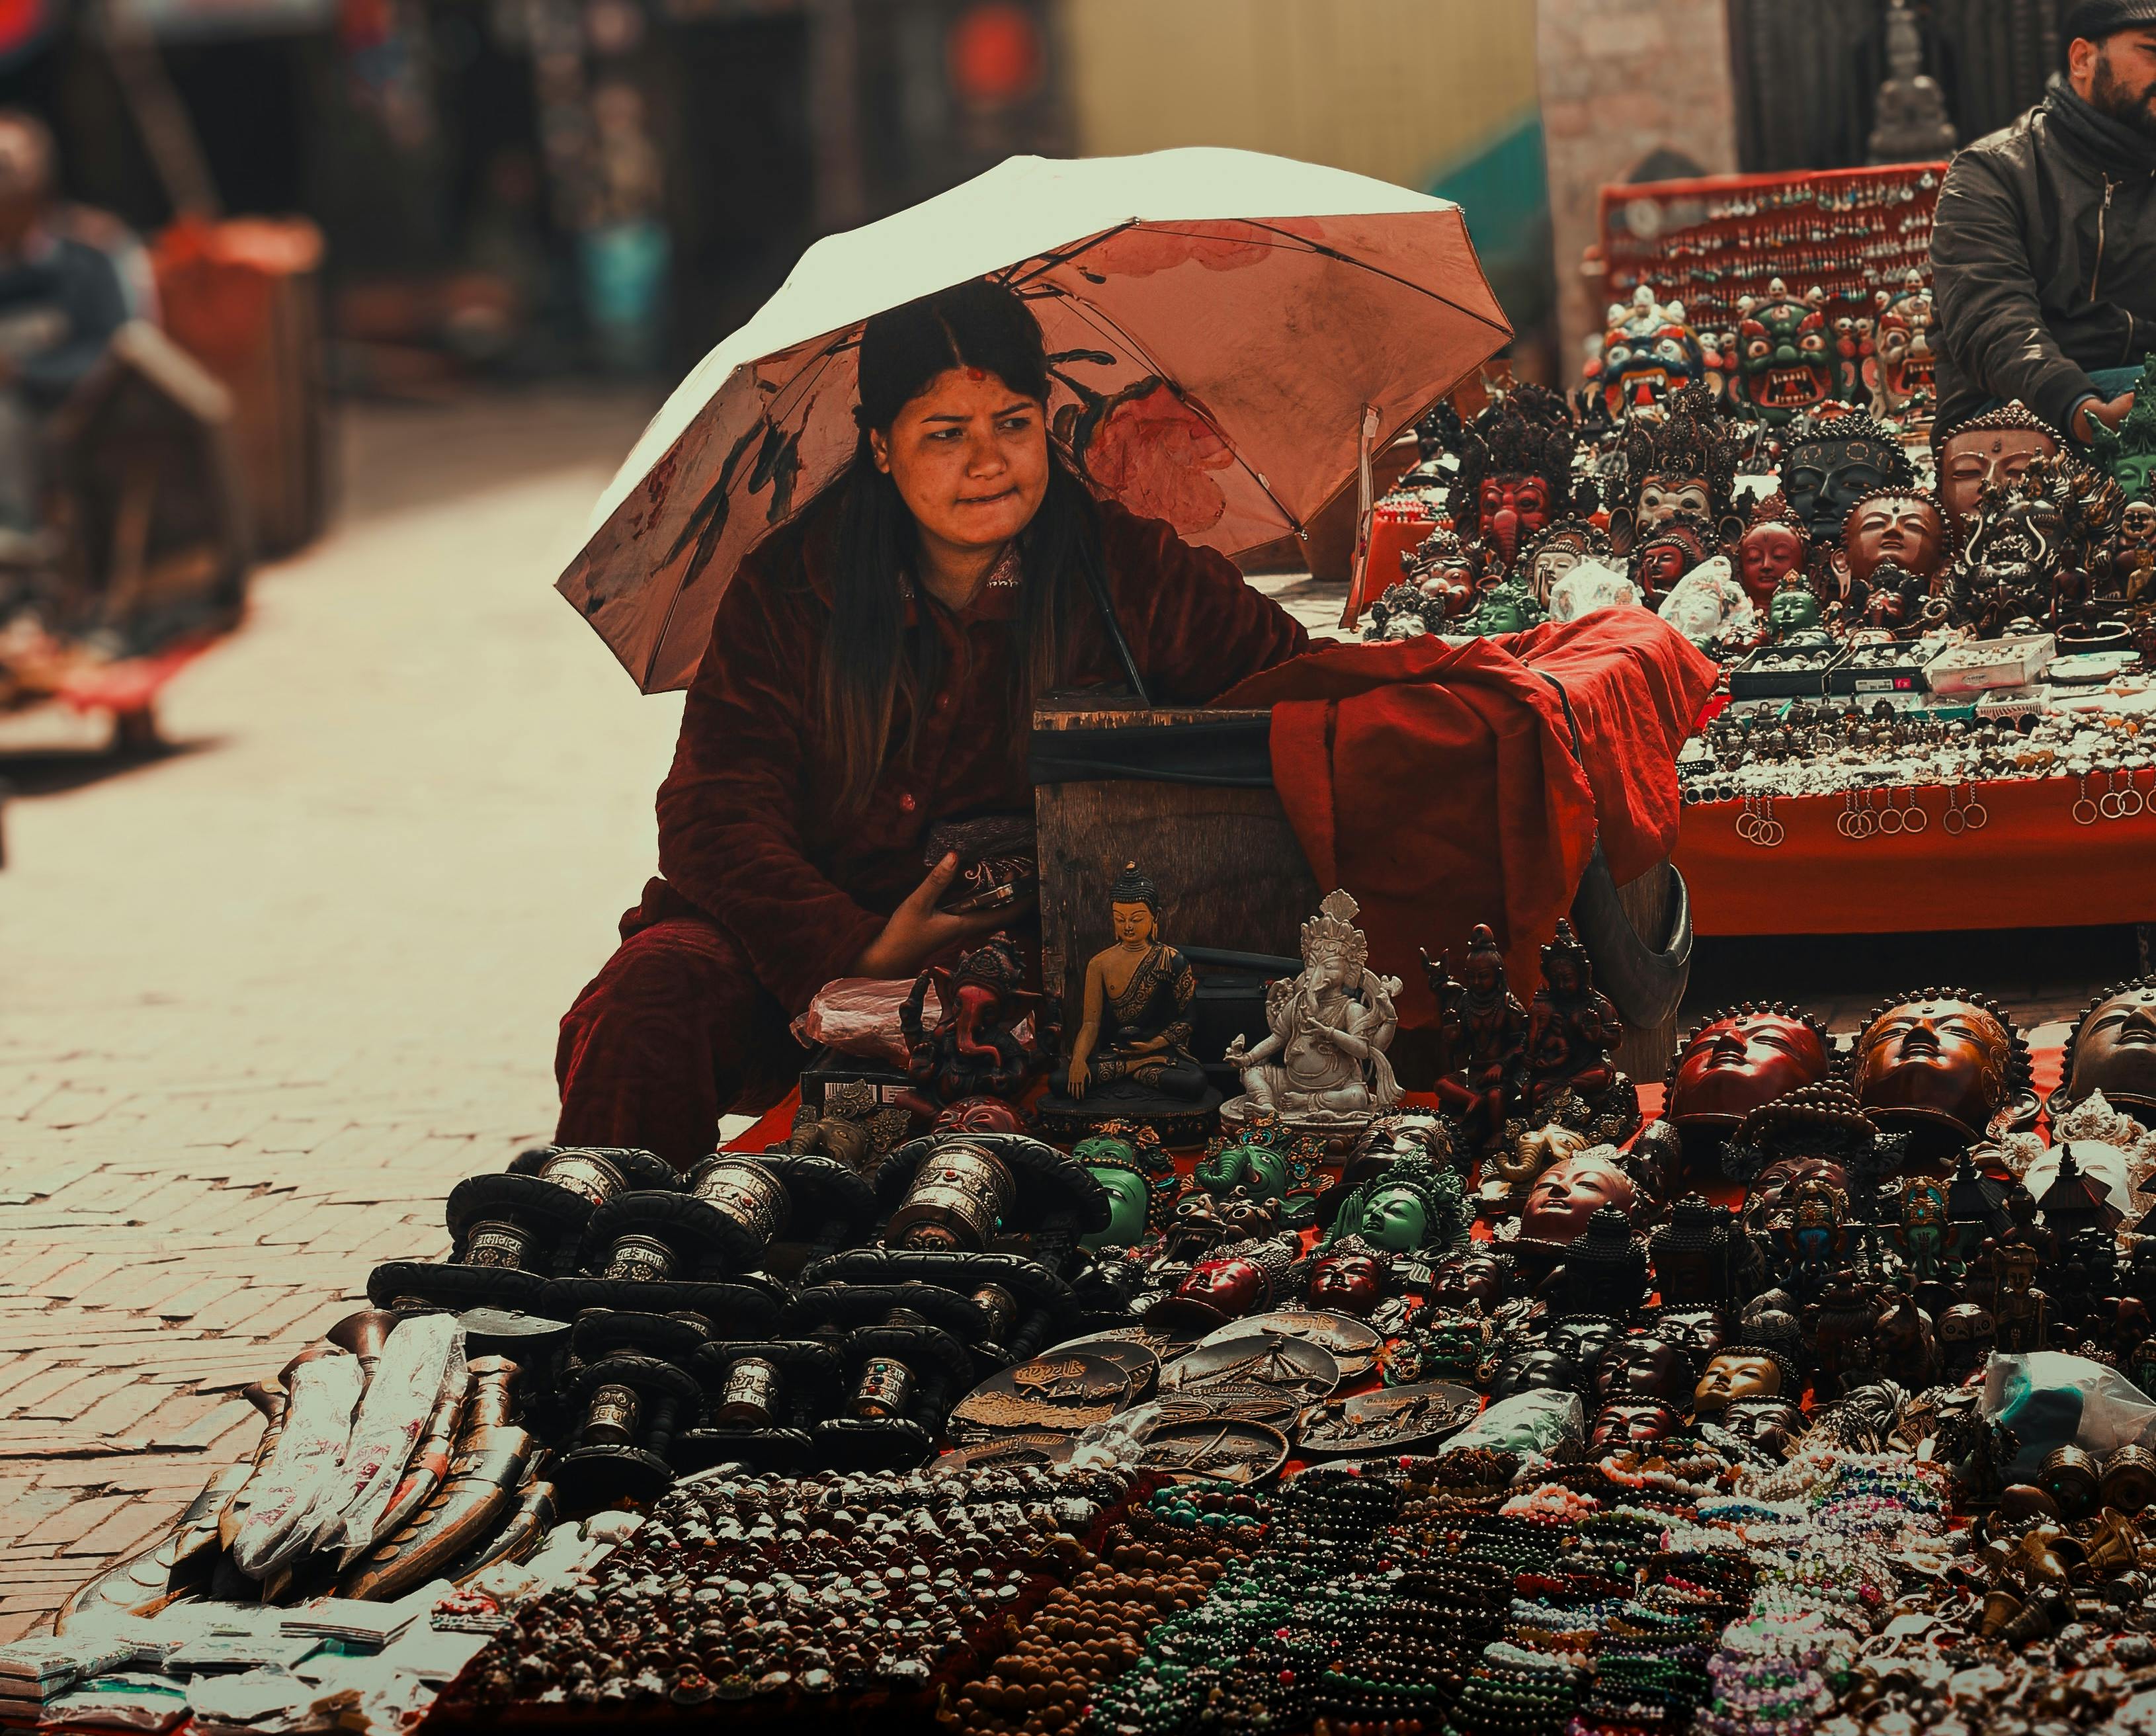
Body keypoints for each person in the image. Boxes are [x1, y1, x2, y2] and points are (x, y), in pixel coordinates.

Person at [554, 278, 1311, 1165]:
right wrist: (859, 944)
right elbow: (711, 815)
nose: (988, 461)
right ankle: (620, 1255)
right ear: (882, 447)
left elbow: (1294, 692)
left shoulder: (1128, 570)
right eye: (946, 434)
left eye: (1014, 423)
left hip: (1037, 976)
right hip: (806, 965)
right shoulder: (794, 586)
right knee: (649, 997)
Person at [1931, 0, 2156, 446]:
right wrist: (2084, 410)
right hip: (2013, 416)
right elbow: (1993, 323)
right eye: (2152, 52)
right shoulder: (1993, 172)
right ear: (2082, 59)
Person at [0, 112, 131, 533]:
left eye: (8, 163)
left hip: (74, 418)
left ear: (41, 173)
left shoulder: (86, 261)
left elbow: (116, 354)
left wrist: (25, 374)